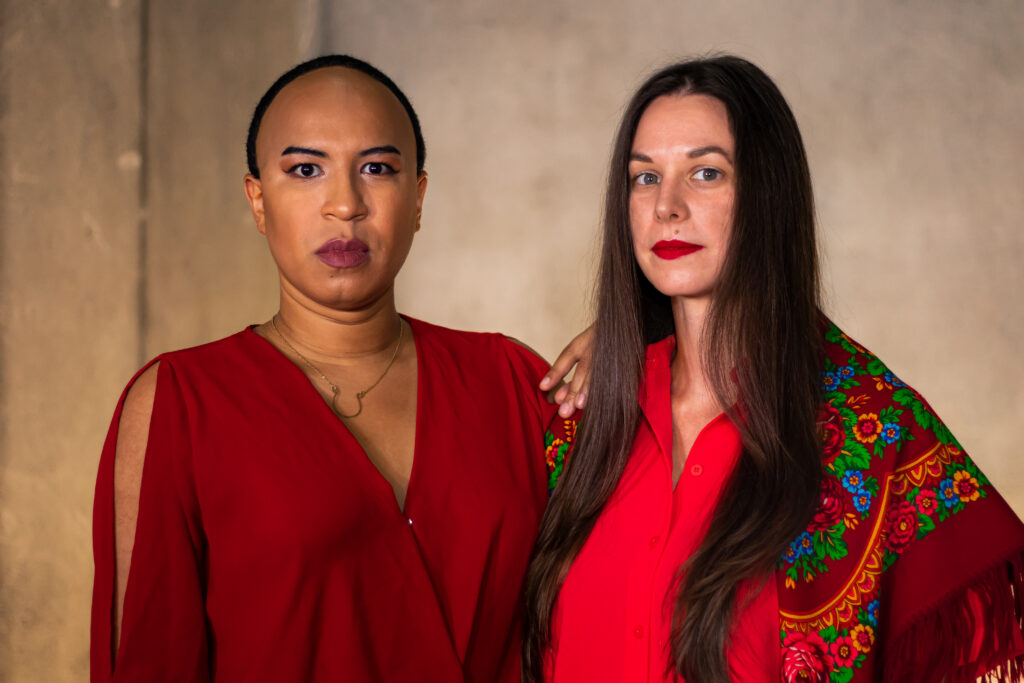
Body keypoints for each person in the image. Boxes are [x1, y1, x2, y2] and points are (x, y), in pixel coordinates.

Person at [523, 55, 1024, 683]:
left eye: (706, 173)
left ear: (767, 193)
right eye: (644, 178)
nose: (667, 207)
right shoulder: (578, 422)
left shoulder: (867, 431)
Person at [90, 54, 588, 682]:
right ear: (258, 201)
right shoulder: (179, 405)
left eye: (377, 168)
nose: (345, 205)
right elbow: (148, 661)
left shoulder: (515, 380)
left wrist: (640, 346)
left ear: (418, 198)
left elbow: (632, 581)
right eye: (304, 170)